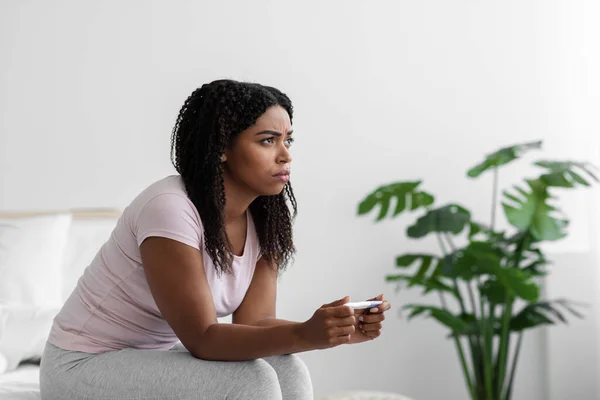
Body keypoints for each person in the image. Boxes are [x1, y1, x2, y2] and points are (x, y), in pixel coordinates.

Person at [39, 79, 391, 400]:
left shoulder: (265, 219)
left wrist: (332, 329)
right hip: (82, 364)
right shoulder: (169, 208)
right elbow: (204, 338)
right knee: (252, 381)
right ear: (222, 147)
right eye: (268, 140)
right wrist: (305, 333)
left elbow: (254, 326)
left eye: (288, 140)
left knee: (287, 367)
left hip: (155, 357)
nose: (285, 154)